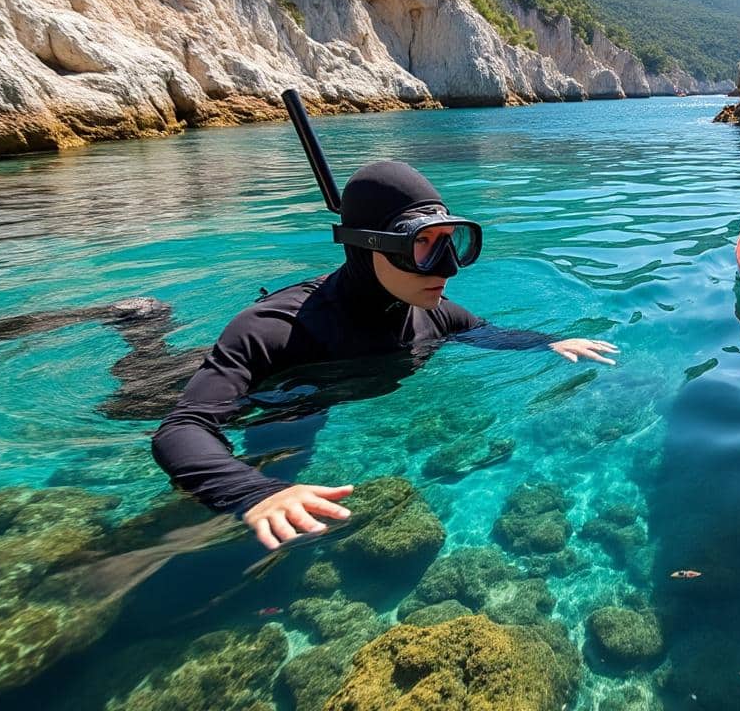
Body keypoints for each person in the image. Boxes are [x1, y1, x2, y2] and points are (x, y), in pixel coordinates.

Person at [150, 160, 618, 549]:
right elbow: (182, 427)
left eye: (451, 244)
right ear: (371, 246)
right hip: (263, 392)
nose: (448, 268)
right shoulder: (271, 330)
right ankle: (143, 323)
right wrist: (252, 493)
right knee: (153, 403)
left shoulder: (432, 312)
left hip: (318, 394)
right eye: (422, 247)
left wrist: (545, 342)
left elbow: (483, 331)